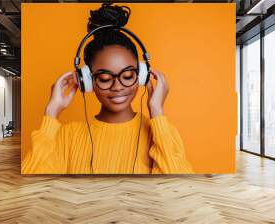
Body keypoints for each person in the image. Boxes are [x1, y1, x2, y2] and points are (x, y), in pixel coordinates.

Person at [22, 3, 193, 174]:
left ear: (141, 76)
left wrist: (157, 112)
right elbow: (32, 189)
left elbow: (178, 189)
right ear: (87, 80)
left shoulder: (160, 134)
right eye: (104, 78)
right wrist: (51, 114)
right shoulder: (67, 135)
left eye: (127, 76)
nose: (117, 87)